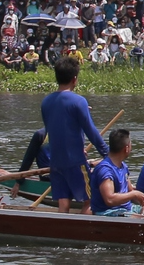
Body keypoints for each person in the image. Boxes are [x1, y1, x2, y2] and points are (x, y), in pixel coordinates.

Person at [41, 55, 107, 212]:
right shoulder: (79, 101)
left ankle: (61, 232)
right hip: (75, 161)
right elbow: (90, 131)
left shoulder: (46, 102)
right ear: (74, 79)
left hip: (56, 162)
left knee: (63, 202)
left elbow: (54, 129)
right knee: (90, 200)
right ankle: (85, 233)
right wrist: (106, 153)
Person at [90, 129, 144, 217]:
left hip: (126, 209)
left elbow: (130, 190)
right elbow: (109, 199)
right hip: (108, 213)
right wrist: (133, 194)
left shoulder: (123, 166)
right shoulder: (105, 170)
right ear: (126, 148)